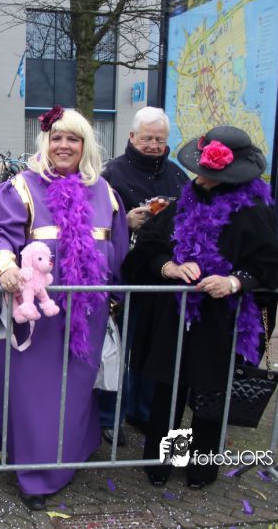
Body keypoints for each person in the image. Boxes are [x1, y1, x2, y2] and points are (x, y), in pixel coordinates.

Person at [0, 106, 129, 511]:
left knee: (75, 391)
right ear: (45, 142)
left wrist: (113, 298)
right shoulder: (21, 187)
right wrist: (5, 265)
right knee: (33, 395)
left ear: (85, 145)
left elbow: (119, 250)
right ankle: (35, 474)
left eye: (73, 138)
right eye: (57, 137)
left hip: (86, 316)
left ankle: (70, 453)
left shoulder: (106, 193)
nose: (64, 145)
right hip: (34, 317)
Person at [122, 126, 278, 489]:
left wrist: (234, 282)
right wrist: (168, 267)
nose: (202, 179)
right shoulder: (184, 203)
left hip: (222, 321)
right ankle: (162, 462)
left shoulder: (254, 211)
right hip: (177, 317)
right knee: (169, 390)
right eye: (201, 172)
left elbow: (271, 266)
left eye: (212, 175)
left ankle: (200, 467)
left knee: (211, 394)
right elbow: (147, 248)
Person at [98, 107, 189, 446]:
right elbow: (92, 222)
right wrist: (123, 222)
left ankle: (143, 411)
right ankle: (109, 417)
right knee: (117, 348)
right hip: (122, 276)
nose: (153, 145)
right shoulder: (111, 173)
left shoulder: (178, 175)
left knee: (153, 349)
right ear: (132, 136)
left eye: (159, 140)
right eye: (147, 138)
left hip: (162, 278)